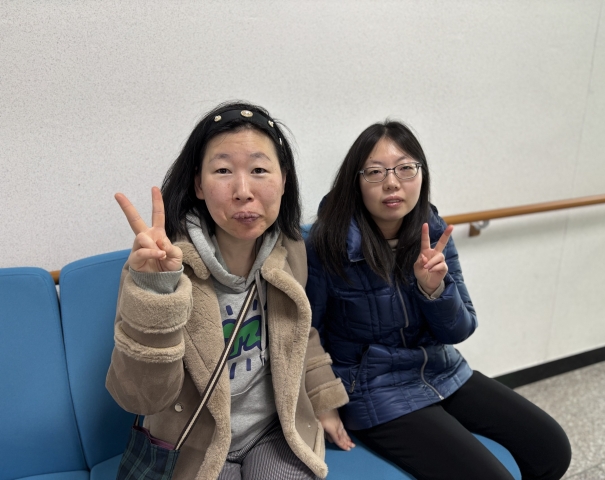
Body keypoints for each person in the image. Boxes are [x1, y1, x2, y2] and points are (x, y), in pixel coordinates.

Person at [305, 120, 571, 480]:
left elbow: (460, 329)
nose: (392, 183)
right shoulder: (326, 243)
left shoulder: (432, 230)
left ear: (421, 174)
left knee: (551, 448)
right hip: (372, 388)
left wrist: (434, 290)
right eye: (375, 172)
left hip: (439, 368)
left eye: (405, 168)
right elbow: (306, 332)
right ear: (356, 181)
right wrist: (324, 403)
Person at [106, 102, 354, 480]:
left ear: (283, 180)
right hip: (195, 443)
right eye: (223, 171)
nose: (243, 191)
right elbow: (139, 398)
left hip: (273, 432)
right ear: (198, 185)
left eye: (259, 170)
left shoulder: (290, 248)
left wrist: (324, 402)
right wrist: (157, 294)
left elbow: (299, 333)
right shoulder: (159, 265)